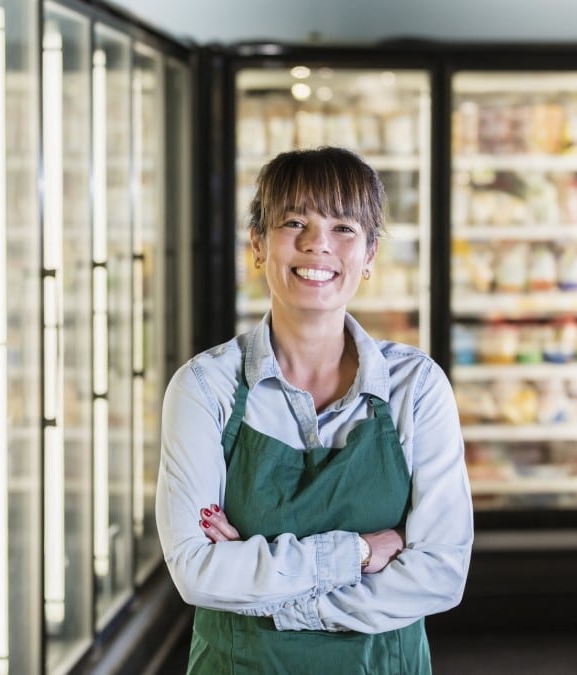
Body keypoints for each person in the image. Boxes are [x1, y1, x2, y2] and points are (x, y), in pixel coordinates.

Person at [156, 146, 473, 674]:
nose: (316, 244)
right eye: (294, 221)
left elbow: (441, 572)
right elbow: (196, 571)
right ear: (257, 244)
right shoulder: (204, 388)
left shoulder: (415, 388)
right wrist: (362, 555)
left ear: (369, 255)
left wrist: (273, 594)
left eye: (344, 227)